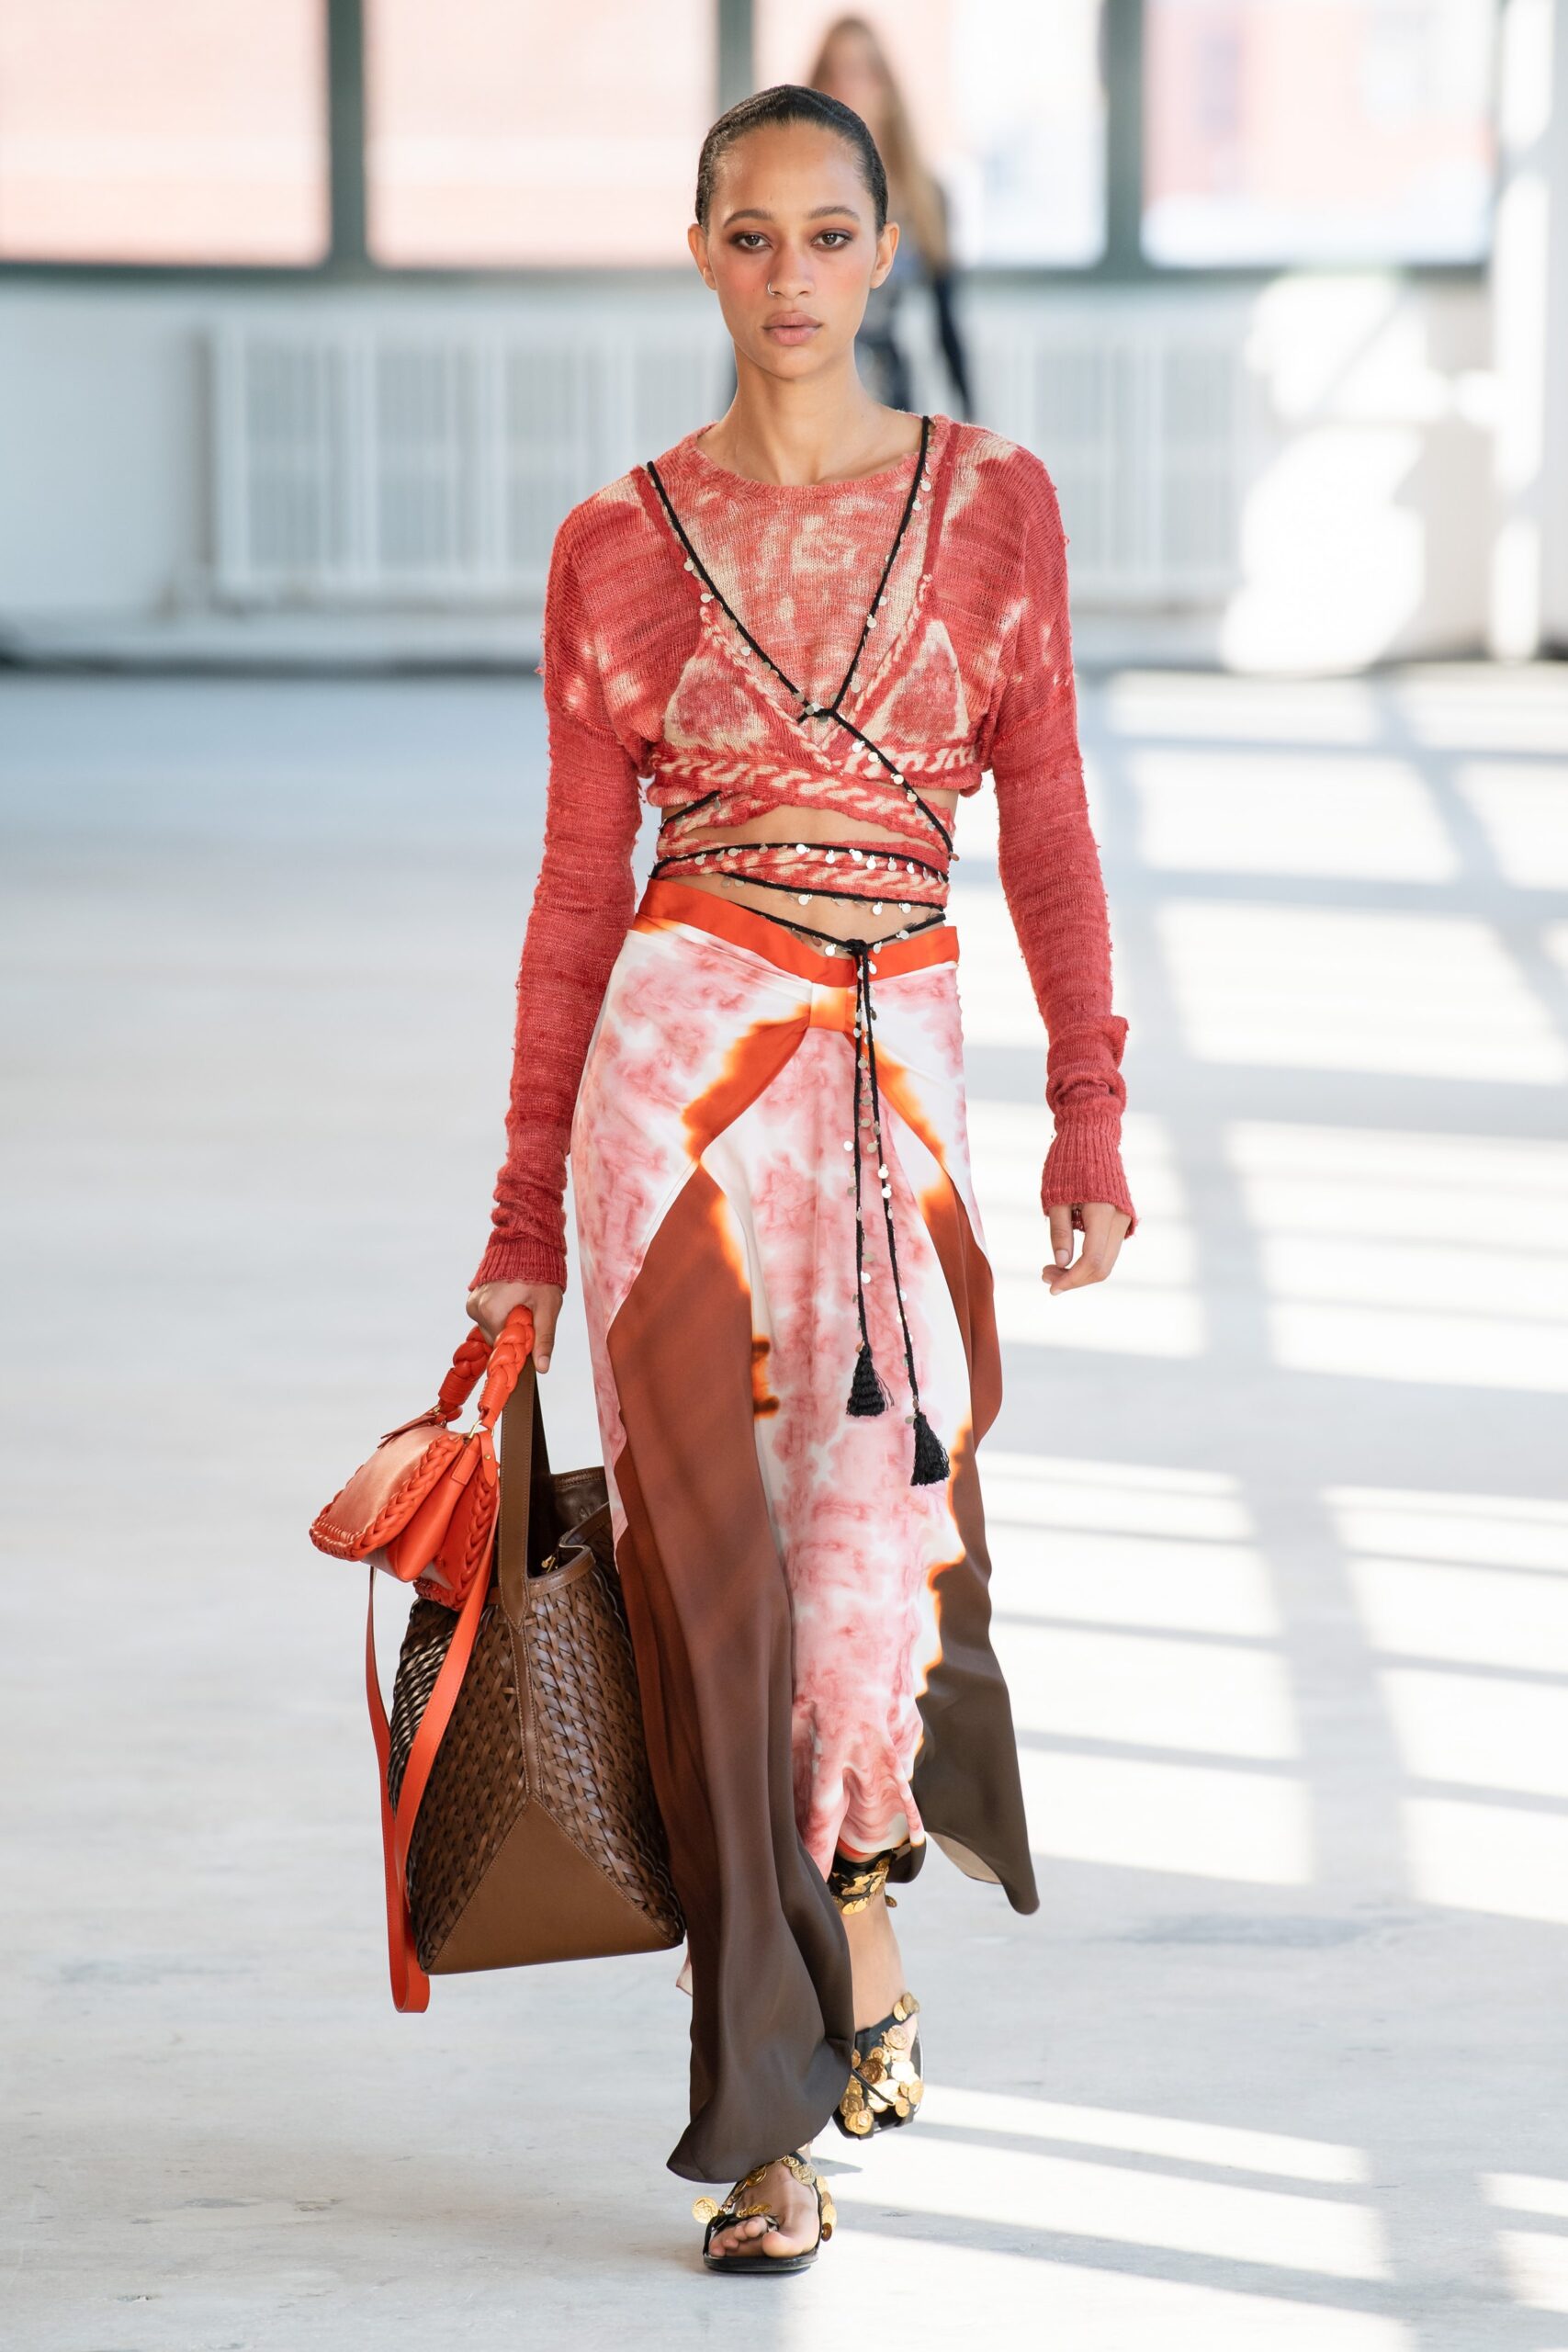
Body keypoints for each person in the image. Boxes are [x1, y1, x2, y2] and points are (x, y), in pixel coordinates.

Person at [467, 83, 1136, 2276]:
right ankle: (764, 2123)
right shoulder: (614, 545)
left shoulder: (988, 509)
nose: (785, 274)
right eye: (745, 235)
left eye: (824, 235)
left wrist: (1088, 1114)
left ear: (877, 251)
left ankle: (857, 1930)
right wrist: (510, 1237)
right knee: (708, 1603)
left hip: (891, 1101)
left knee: (865, 1573)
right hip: (669, 1106)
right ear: (696, 251)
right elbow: (579, 902)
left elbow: (1042, 822)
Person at [808, 16, 974, 418]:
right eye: (835, 72)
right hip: (808, 396)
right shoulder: (796, 194)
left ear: (884, 86)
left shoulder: (925, 199)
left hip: (891, 395)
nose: (848, 87)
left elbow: (947, 325)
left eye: (862, 71)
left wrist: (973, 419)